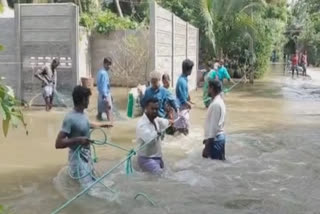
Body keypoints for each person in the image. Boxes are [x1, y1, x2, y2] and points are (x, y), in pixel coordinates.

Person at [55, 86, 112, 188]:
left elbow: (85, 124)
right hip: (77, 158)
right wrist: (78, 140)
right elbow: (58, 143)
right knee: (87, 189)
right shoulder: (69, 118)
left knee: (92, 182)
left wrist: (102, 125)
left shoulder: (83, 114)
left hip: (87, 155)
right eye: (87, 99)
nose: (89, 102)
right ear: (82, 99)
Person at [136, 98, 173, 175]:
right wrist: (158, 132)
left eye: (156, 109)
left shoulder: (155, 119)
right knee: (161, 177)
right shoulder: (142, 125)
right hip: (146, 159)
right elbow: (149, 139)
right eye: (152, 109)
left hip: (158, 157)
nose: (154, 111)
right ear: (146, 108)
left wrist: (170, 120)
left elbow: (165, 122)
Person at [202, 80, 226, 160]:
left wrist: (207, 147)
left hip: (215, 140)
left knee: (215, 168)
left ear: (212, 88)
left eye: (208, 87)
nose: (207, 90)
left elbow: (214, 127)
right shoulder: (218, 101)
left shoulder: (216, 104)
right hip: (217, 139)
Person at [175, 59, 194, 135]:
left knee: (184, 126)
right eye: (191, 69)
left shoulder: (184, 78)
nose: (191, 71)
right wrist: (188, 104)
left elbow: (185, 93)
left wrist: (189, 98)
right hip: (181, 107)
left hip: (183, 107)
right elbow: (182, 98)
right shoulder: (182, 81)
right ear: (188, 70)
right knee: (184, 128)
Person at [96, 57, 113, 122]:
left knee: (99, 113)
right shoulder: (104, 74)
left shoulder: (100, 72)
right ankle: (110, 126)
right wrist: (106, 98)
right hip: (104, 95)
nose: (109, 66)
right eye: (108, 65)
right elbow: (104, 86)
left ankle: (98, 121)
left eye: (110, 65)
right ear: (104, 64)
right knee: (108, 111)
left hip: (100, 95)